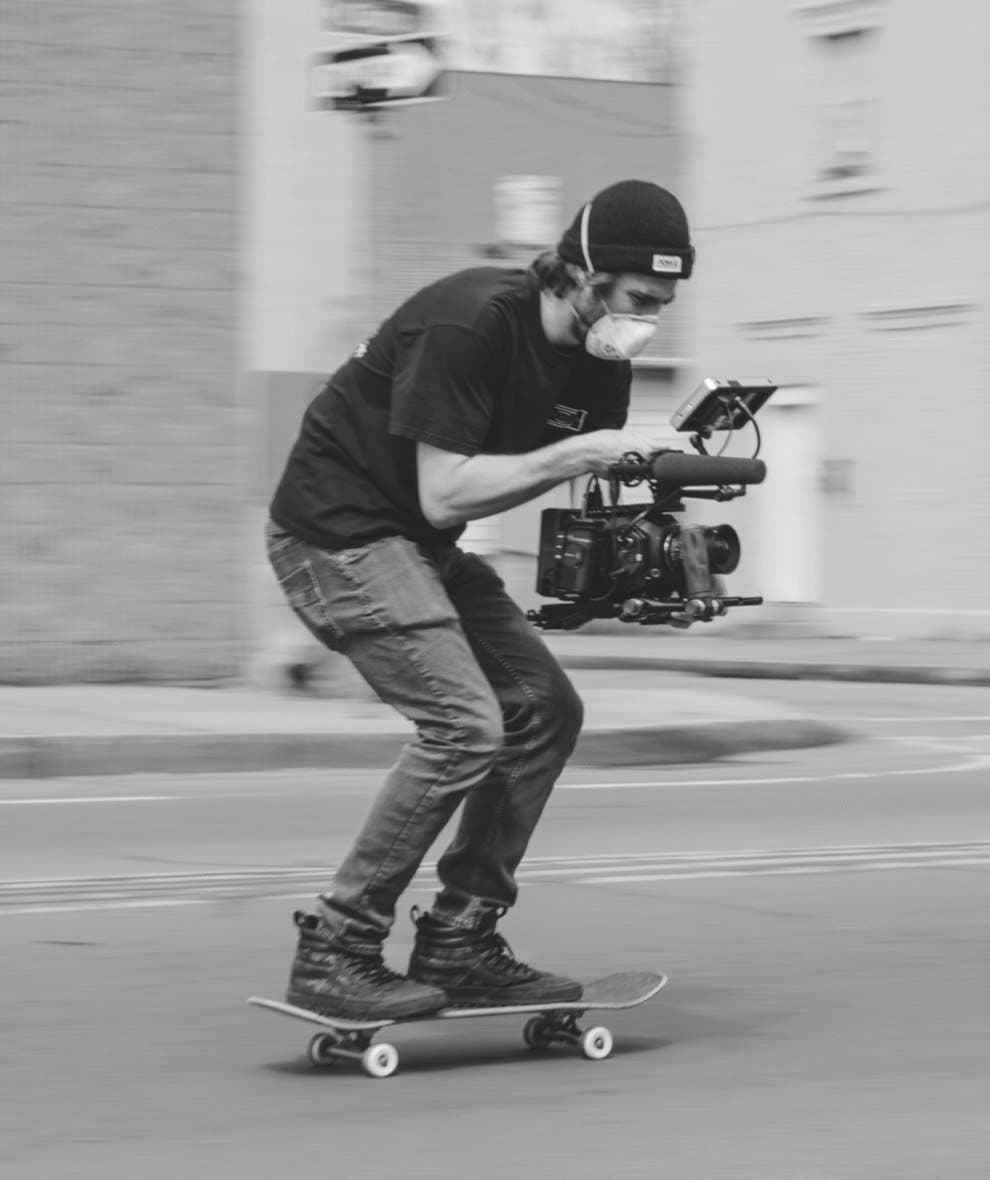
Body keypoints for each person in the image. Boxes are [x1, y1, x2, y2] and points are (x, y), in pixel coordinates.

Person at [266, 178, 695, 1020]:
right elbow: (447, 494)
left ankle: (460, 938)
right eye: (640, 299)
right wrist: (583, 455)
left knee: (546, 708)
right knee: (466, 725)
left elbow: (570, 495)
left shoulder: (602, 364)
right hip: (335, 532)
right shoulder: (470, 323)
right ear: (579, 271)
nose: (648, 320)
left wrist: (657, 561)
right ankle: (337, 946)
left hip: (418, 549)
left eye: (664, 304)